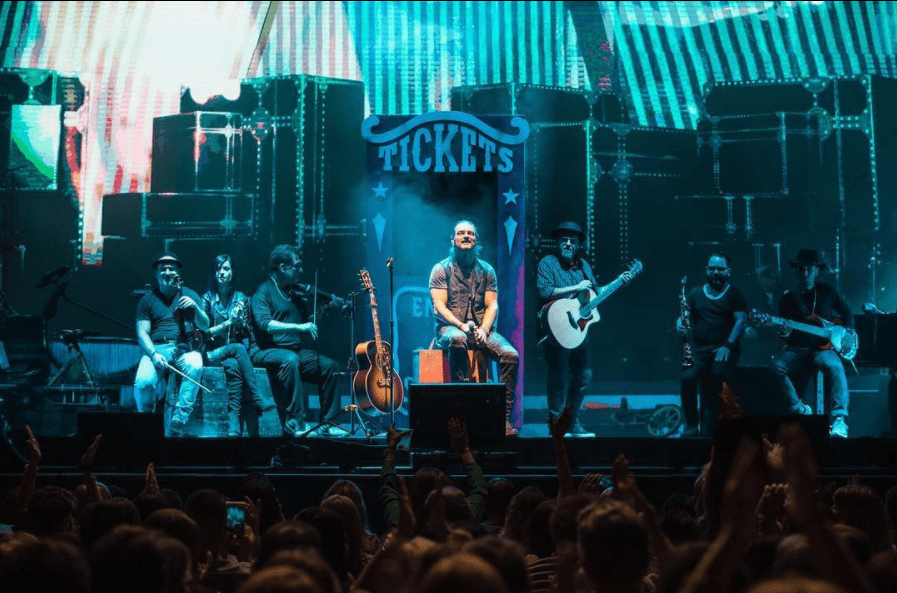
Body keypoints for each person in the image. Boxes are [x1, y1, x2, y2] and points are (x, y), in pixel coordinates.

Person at [536, 221, 633, 437]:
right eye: (564, 239)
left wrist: (619, 282)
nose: (568, 243)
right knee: (558, 376)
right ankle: (556, 422)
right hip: (555, 327)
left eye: (572, 240)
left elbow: (596, 294)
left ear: (578, 244)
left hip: (579, 330)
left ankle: (571, 420)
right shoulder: (548, 263)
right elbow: (544, 291)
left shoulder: (584, 266)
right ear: (557, 242)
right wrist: (576, 287)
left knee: (584, 376)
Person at [429, 220, 520, 437]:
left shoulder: (487, 270)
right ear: (453, 239)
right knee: (458, 339)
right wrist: (461, 325)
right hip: (449, 329)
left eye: (470, 233)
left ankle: (502, 419)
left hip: (481, 329)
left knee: (511, 356)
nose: (466, 236)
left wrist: (484, 329)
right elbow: (439, 306)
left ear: (476, 239)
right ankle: (463, 412)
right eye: (461, 233)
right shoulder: (441, 269)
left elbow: (492, 305)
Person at [250, 245, 342, 437]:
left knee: (329, 367)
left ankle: (329, 422)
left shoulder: (293, 294)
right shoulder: (264, 292)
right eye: (297, 266)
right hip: (265, 350)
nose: (301, 270)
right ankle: (297, 421)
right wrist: (300, 328)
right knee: (290, 360)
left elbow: (307, 325)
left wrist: (325, 310)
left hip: (293, 351)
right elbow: (265, 324)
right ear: (283, 267)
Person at [770, 248, 852, 438]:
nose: (805, 273)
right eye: (801, 269)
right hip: (797, 349)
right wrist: (783, 333)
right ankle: (798, 408)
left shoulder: (827, 292)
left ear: (816, 270)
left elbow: (847, 313)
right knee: (775, 367)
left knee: (836, 368)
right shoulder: (788, 298)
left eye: (809, 269)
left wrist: (848, 331)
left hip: (822, 349)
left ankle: (839, 420)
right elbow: (785, 335)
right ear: (797, 270)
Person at [134, 253, 208, 436]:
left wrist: (195, 307)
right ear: (157, 274)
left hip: (182, 348)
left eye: (171, 268)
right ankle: (146, 422)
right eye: (163, 268)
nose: (167, 271)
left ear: (178, 273)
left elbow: (205, 325)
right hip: (156, 349)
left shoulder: (189, 294)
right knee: (143, 382)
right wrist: (152, 354)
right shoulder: (147, 300)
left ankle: (179, 420)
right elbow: (142, 332)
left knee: (195, 363)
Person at [202, 254, 273, 437]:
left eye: (226, 268)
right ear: (213, 273)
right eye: (219, 269)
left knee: (234, 367)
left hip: (233, 358)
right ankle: (257, 396)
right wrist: (228, 323)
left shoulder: (241, 297)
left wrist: (240, 323)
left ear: (232, 272)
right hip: (212, 353)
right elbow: (203, 333)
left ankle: (235, 427)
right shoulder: (207, 299)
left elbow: (250, 331)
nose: (222, 273)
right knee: (238, 349)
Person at [677, 253, 747, 436]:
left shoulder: (734, 294)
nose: (716, 272)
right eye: (712, 268)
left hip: (724, 349)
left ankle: (714, 425)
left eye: (720, 269)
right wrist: (679, 323)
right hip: (699, 352)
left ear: (728, 271)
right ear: (707, 270)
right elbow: (684, 316)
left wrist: (728, 346)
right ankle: (692, 425)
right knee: (687, 379)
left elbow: (741, 321)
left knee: (716, 375)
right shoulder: (695, 293)